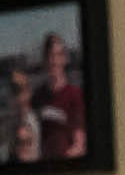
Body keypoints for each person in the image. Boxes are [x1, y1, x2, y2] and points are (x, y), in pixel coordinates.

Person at [31, 31, 85, 162]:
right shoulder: (36, 97)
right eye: (49, 56)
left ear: (65, 58)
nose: (54, 61)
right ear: (44, 60)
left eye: (58, 55)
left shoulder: (76, 95)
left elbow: (79, 144)